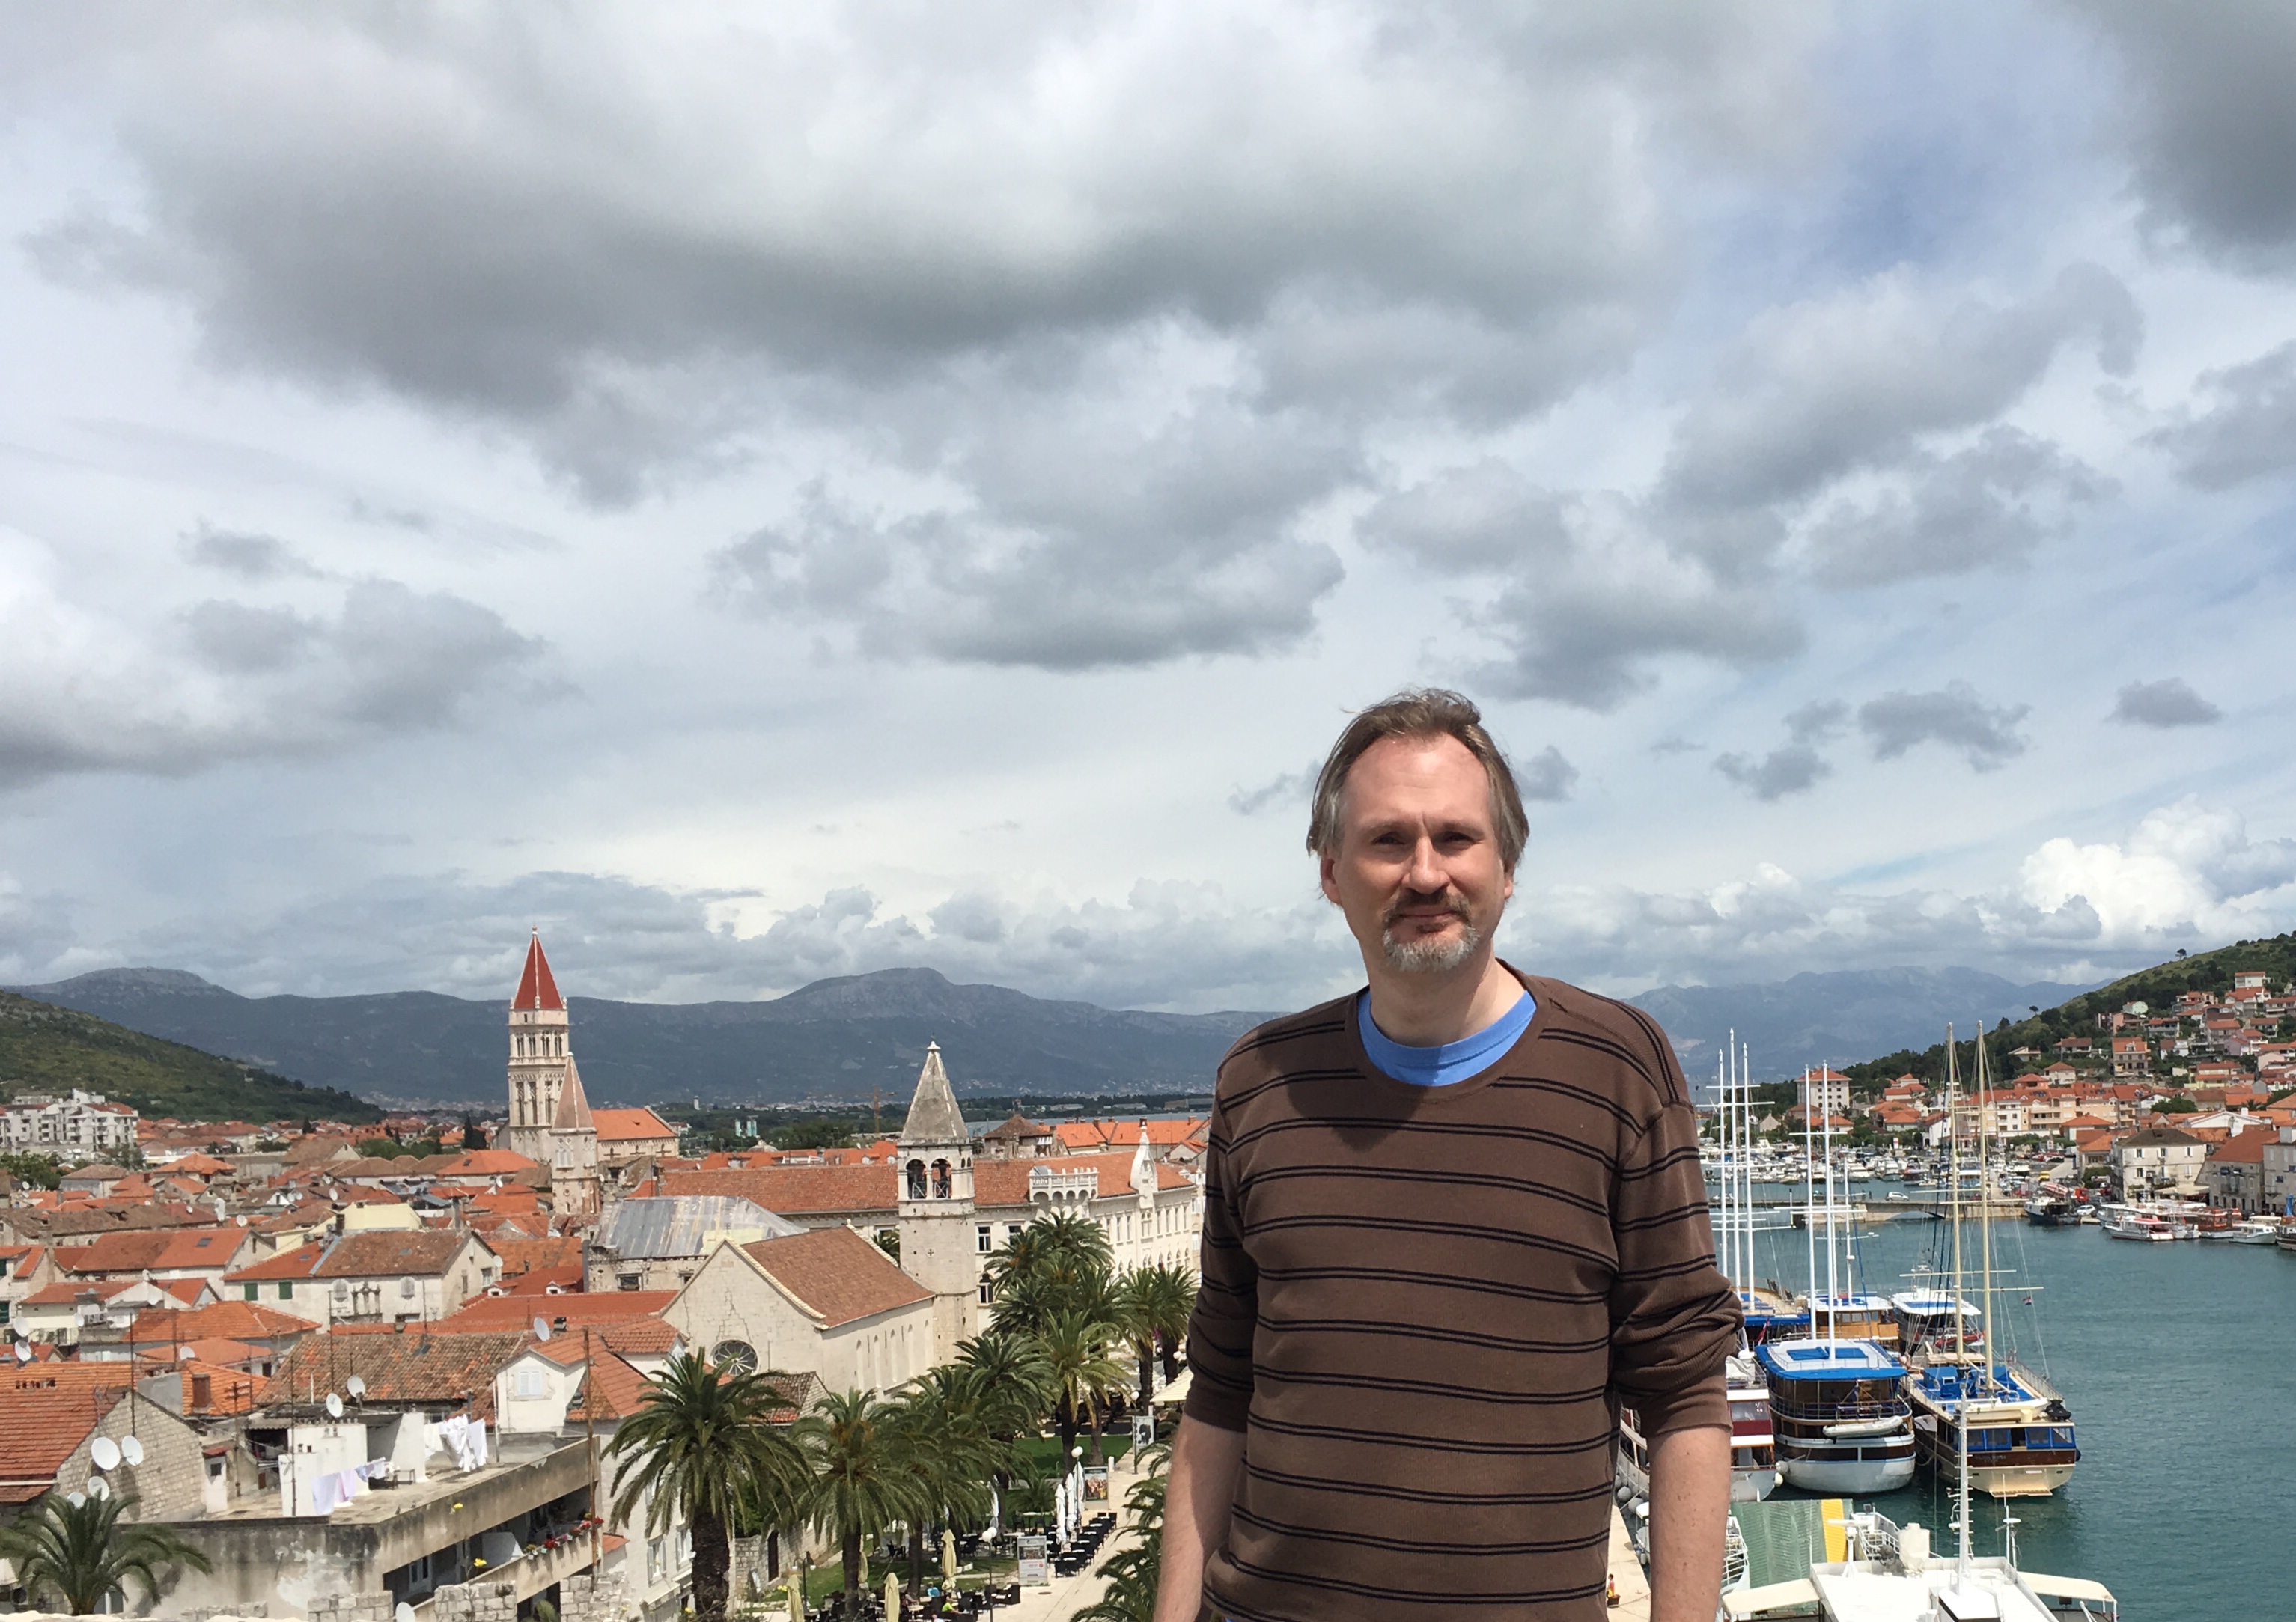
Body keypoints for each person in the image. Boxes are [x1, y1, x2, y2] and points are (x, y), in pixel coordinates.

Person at [1156, 689, 1739, 1622]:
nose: (1425, 873)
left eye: (1456, 838)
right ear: (1331, 871)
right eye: (1388, 840)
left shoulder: (1618, 1068)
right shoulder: (1259, 1079)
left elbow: (1684, 1394)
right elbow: (1221, 1384)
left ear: (1506, 868)